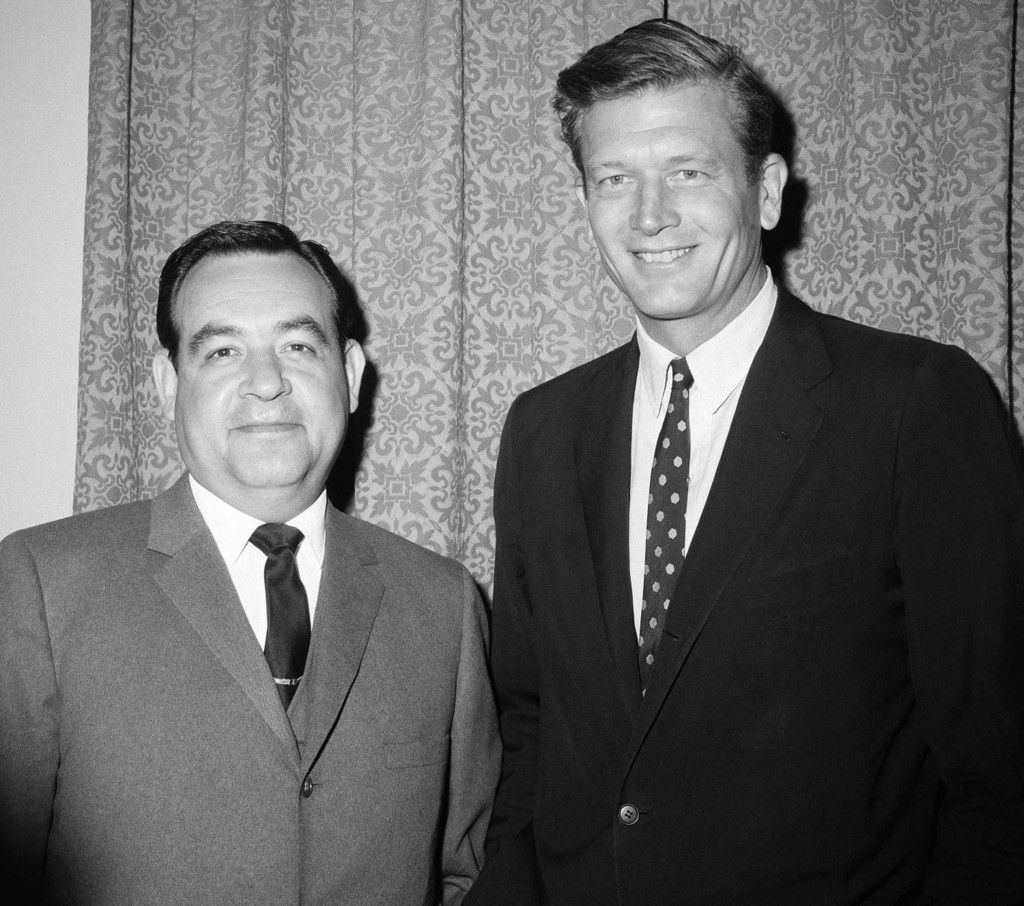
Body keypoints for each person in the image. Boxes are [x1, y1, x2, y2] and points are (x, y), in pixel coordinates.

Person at [467, 19, 1024, 905]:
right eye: (615, 179)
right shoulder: (542, 428)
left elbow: (1001, 768)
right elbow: (531, 731)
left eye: (688, 172)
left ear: (766, 193)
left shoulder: (915, 404)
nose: (649, 215)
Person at [0, 220, 500, 905]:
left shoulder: (443, 604)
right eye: (222, 351)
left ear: (351, 375)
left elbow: (467, 875)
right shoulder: (41, 586)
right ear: (168, 383)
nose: (267, 383)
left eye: (297, 346)